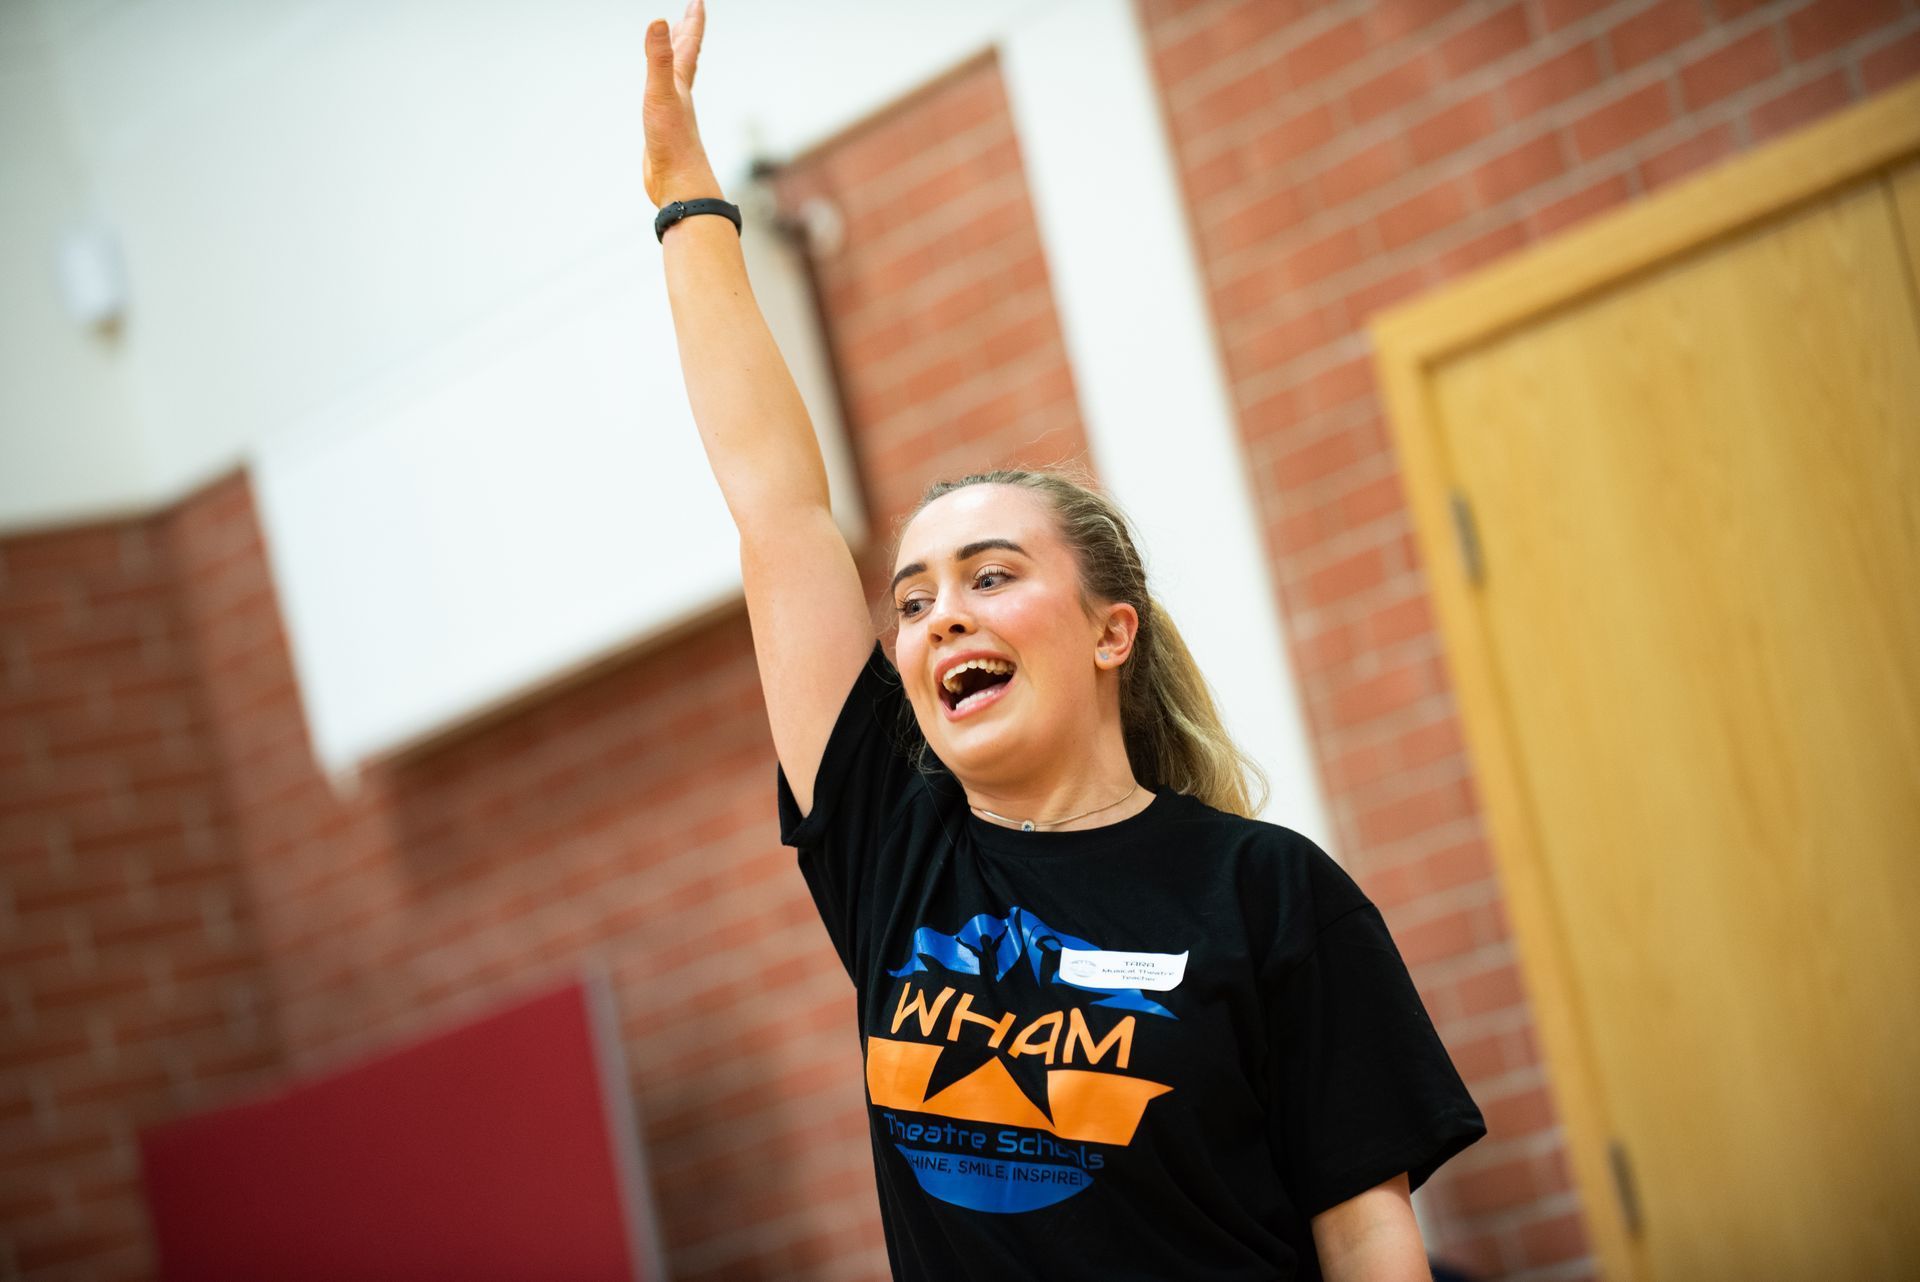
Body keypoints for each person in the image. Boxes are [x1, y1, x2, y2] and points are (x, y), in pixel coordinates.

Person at [641, 3, 1487, 1278]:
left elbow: (1367, 1231)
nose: (943, 618)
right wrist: (686, 207)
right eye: (914, 599)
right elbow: (782, 509)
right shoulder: (895, 845)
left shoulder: (1268, 892)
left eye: (990, 575)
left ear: (1110, 631)